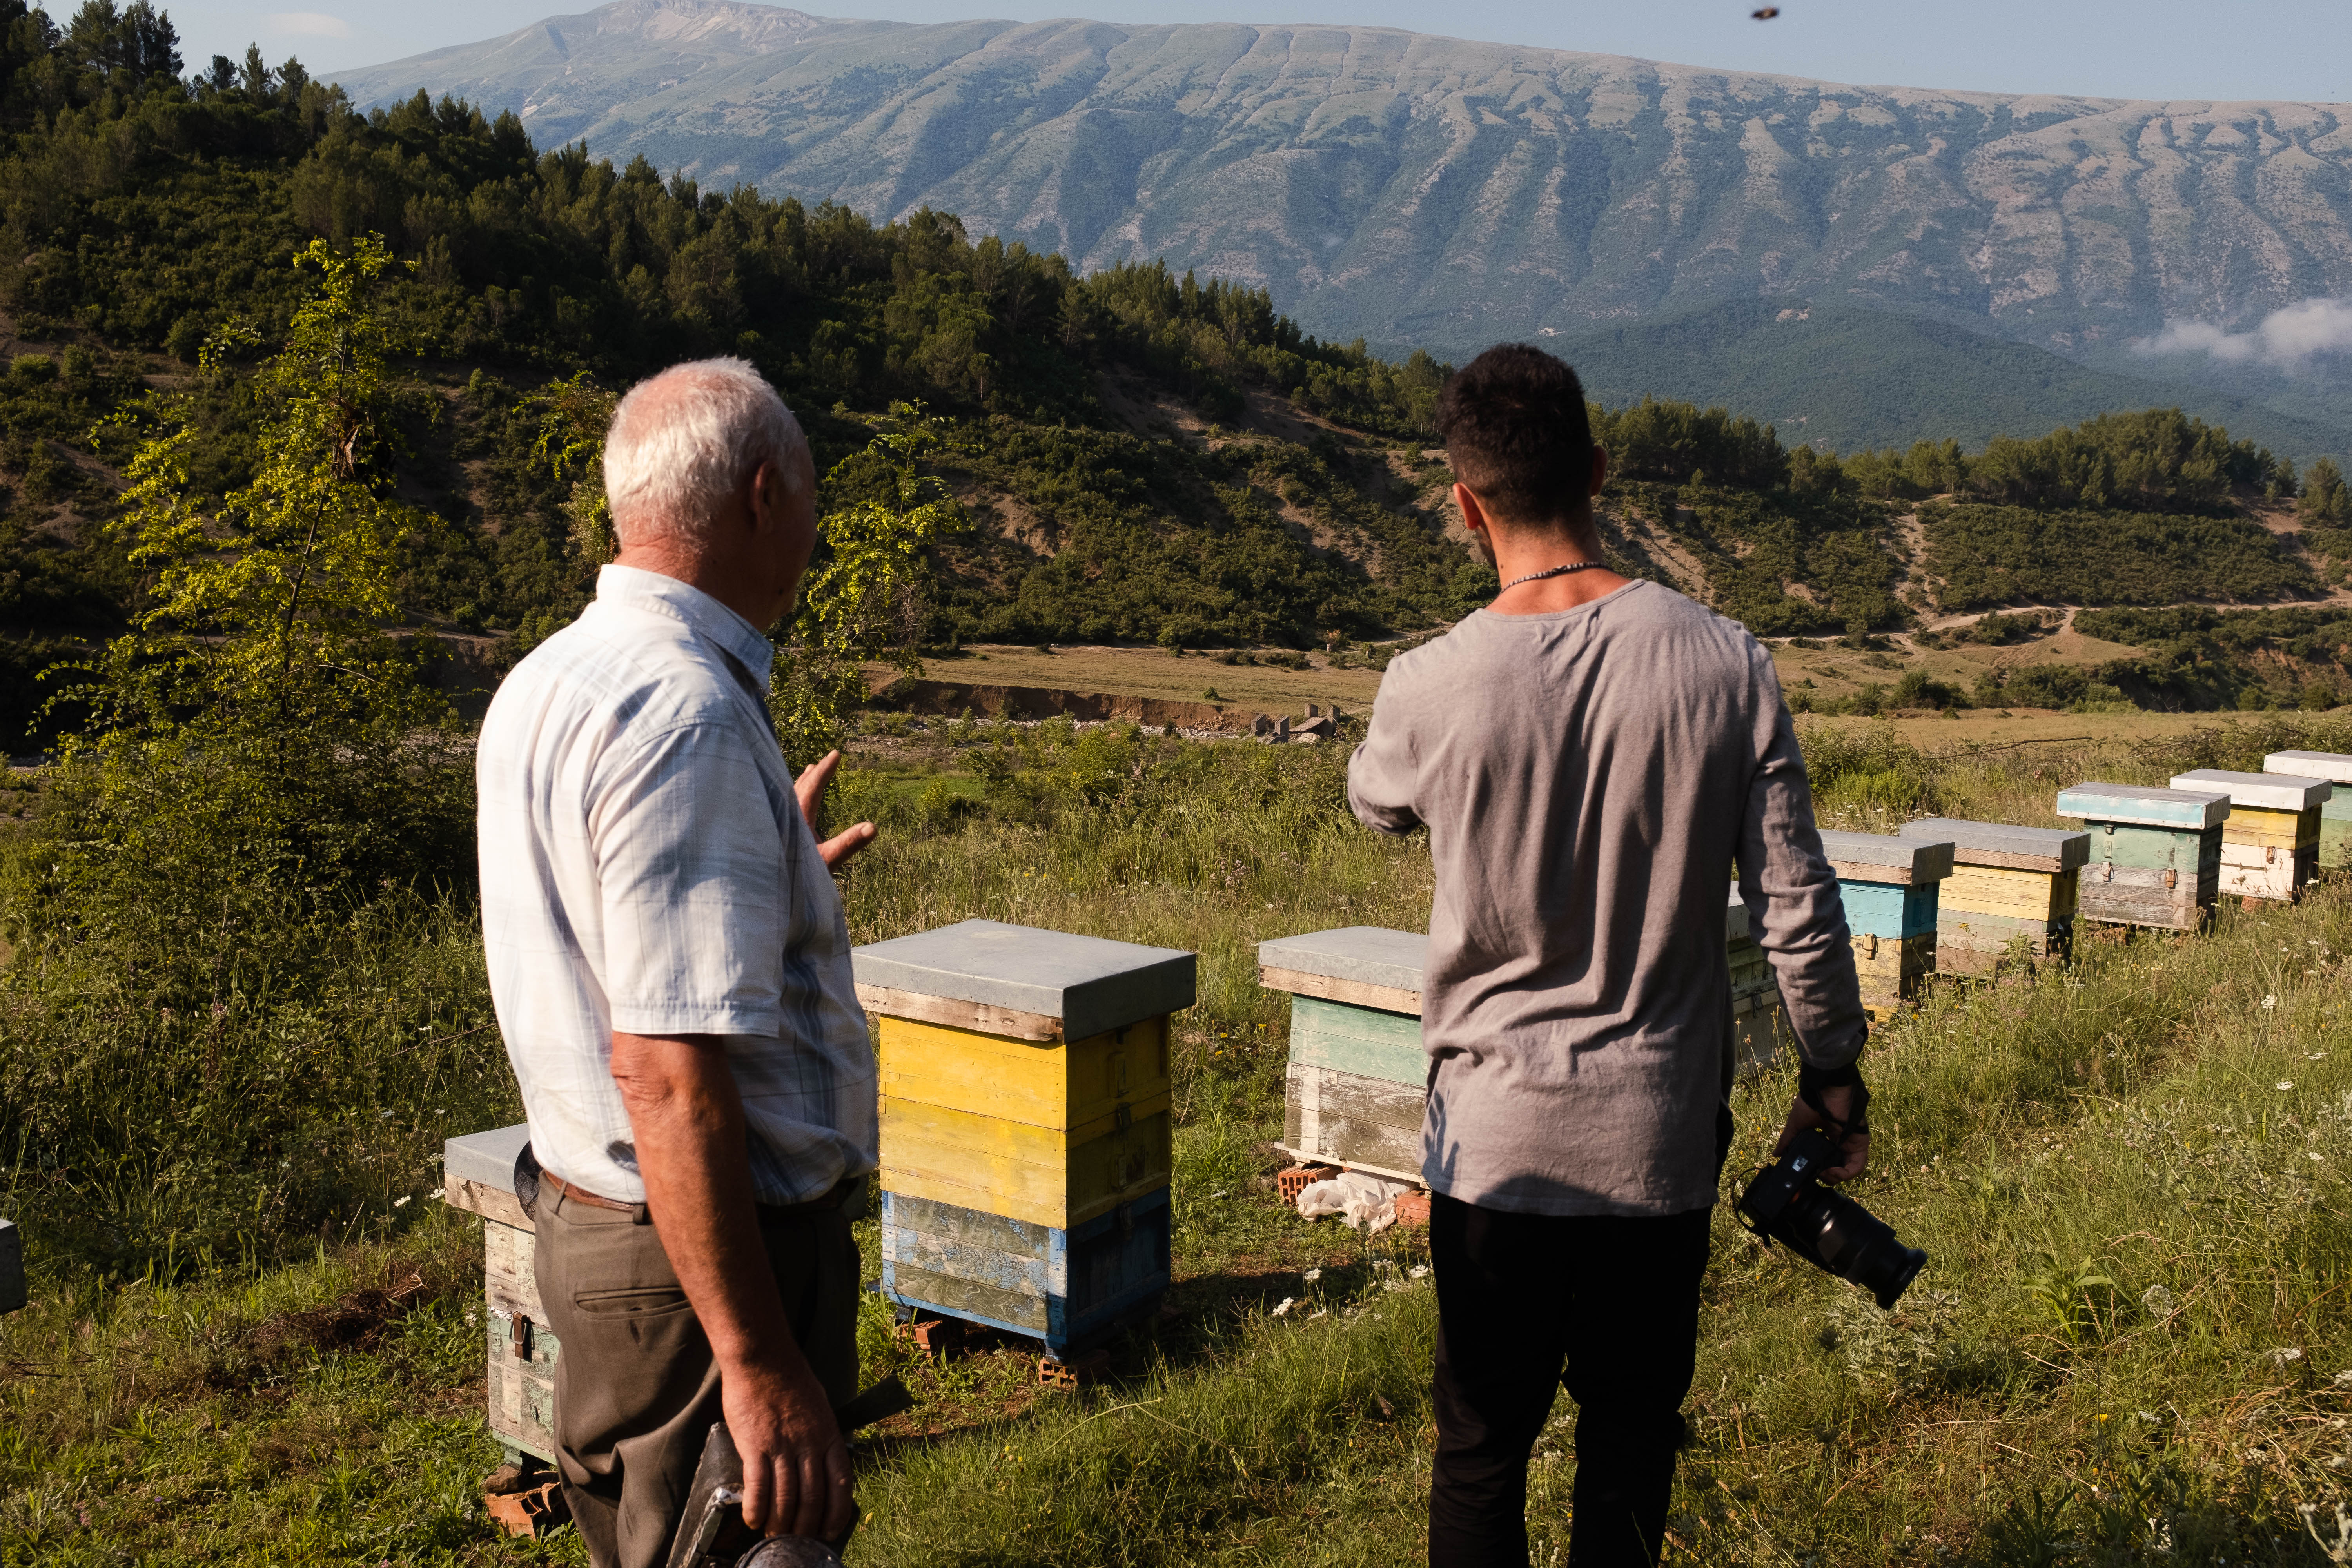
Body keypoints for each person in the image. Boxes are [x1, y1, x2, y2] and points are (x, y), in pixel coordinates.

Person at [1347, 344, 1871, 1568]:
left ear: (1464, 502)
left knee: (1480, 1449)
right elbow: (1796, 899)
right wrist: (1832, 1073)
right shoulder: (1728, 661)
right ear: (1598, 468)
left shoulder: (1427, 682)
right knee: (1630, 1437)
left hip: (1492, 1147)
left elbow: (1376, 802)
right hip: (1658, 1143)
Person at [476, 358, 880, 1568]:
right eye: (810, 501)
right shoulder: (686, 712)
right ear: (765, 497)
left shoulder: (552, 677)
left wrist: (771, 873)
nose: (812, 532)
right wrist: (756, 1363)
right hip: (707, 1269)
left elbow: (617, 945)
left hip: (621, 1238)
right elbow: (662, 1070)